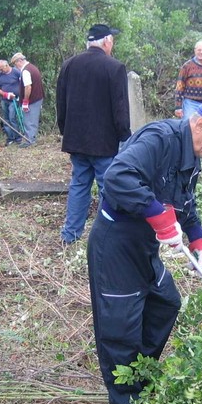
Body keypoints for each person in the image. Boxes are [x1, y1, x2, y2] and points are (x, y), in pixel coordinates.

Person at [87, 96, 202, 404]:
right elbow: (117, 178)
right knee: (120, 330)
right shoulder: (159, 140)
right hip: (116, 245)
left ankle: (141, 375)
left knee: (165, 303)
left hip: (143, 246)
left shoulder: (193, 156)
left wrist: (198, 239)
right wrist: (157, 213)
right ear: (200, 124)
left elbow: (185, 200)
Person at [56, 24, 131, 245]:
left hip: (76, 140)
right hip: (104, 143)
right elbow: (120, 108)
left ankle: (70, 236)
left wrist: (65, 130)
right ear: (106, 41)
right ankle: (105, 238)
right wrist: (124, 135)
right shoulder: (114, 67)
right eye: (112, 40)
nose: (112, 44)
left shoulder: (69, 65)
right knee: (109, 189)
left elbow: (61, 104)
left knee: (79, 184)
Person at [174, 40, 202, 121]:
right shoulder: (187, 66)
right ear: (195, 51)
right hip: (190, 104)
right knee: (188, 126)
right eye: (199, 50)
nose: (201, 52)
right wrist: (178, 106)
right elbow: (179, 87)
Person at [10, 52, 45, 147]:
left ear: (19, 61)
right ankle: (31, 139)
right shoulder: (32, 67)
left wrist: (25, 101)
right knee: (32, 119)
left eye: (15, 63)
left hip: (32, 99)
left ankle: (30, 141)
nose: (15, 66)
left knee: (29, 120)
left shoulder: (26, 71)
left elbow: (28, 87)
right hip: (37, 97)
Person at [0, 60, 22, 145]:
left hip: (14, 99)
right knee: (6, 119)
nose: (1, 71)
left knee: (12, 117)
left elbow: (23, 84)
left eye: (2, 69)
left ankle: (18, 137)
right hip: (4, 99)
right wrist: (5, 94)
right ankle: (10, 138)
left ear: (6, 65)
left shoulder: (16, 72)